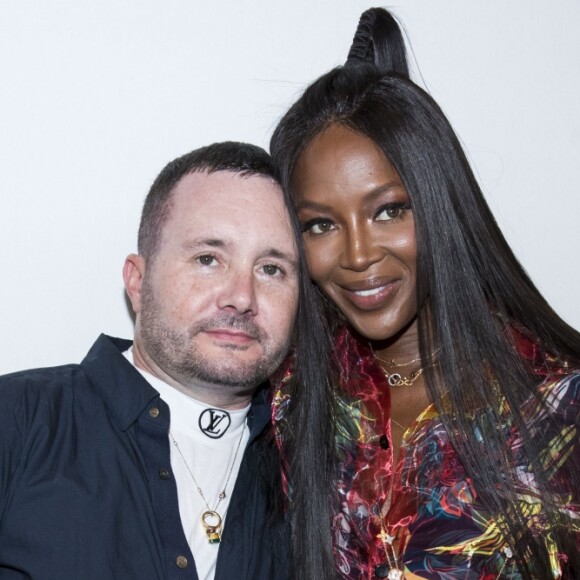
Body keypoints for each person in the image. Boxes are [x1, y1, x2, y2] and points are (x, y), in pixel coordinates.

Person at [270, 8, 580, 580]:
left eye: (389, 210)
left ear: (439, 204)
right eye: (320, 225)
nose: (359, 255)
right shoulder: (293, 402)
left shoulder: (559, 406)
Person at [0, 141, 329, 580]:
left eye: (271, 269)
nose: (242, 297)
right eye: (208, 259)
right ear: (137, 282)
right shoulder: (16, 421)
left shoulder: (323, 467)